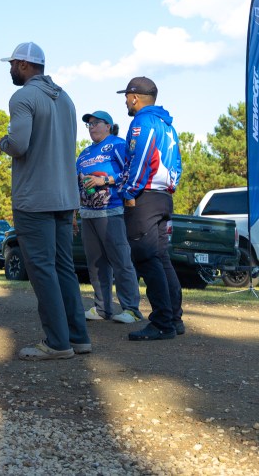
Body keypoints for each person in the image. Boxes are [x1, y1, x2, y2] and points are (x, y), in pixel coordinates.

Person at [0, 42, 89, 361]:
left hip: (34, 198)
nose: (10, 69)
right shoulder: (65, 98)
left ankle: (57, 343)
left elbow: (19, 144)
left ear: (24, 65)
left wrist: (3, 142)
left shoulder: (22, 97)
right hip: (65, 197)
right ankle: (78, 337)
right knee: (64, 268)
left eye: (12, 64)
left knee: (42, 270)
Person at [115, 76, 184, 341]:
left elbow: (140, 158)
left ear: (134, 97)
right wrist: (170, 186)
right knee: (160, 258)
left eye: (126, 97)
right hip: (163, 196)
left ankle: (162, 322)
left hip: (144, 197)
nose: (125, 101)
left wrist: (129, 192)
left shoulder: (142, 122)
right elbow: (177, 163)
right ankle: (174, 319)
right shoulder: (167, 125)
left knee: (146, 259)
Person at [76, 110, 143, 324]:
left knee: (121, 260)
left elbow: (131, 172)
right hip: (87, 213)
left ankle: (131, 309)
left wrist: (104, 181)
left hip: (112, 210)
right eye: (89, 124)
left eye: (96, 123)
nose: (92, 127)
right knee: (96, 264)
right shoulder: (84, 153)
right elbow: (76, 183)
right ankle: (102, 308)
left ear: (108, 126)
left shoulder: (118, 145)